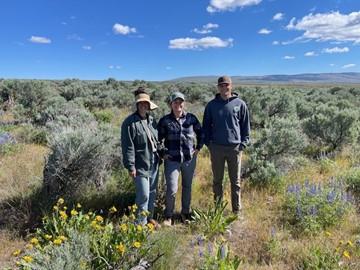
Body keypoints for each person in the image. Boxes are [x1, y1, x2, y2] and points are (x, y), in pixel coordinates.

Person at [202, 76, 250, 216]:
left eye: (226, 85)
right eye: (221, 85)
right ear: (218, 87)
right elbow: (206, 127)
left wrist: (243, 144)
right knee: (217, 181)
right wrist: (209, 144)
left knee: (235, 182)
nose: (224, 88)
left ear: (231, 86)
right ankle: (218, 210)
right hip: (216, 148)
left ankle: (236, 211)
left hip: (234, 149)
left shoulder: (240, 104)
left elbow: (245, 126)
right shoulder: (212, 105)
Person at [158, 92, 204, 226]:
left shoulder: (191, 118)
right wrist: (162, 153)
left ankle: (185, 213)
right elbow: (158, 139)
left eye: (180, 102)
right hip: (172, 159)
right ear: (171, 104)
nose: (178, 105)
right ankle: (168, 215)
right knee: (172, 188)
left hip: (189, 159)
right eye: (175, 102)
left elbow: (201, 132)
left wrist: (198, 147)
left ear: (184, 103)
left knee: (187, 187)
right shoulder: (165, 120)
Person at [121, 88, 160, 227]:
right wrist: (131, 166)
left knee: (152, 192)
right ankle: (140, 225)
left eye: (146, 103)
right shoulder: (129, 123)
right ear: (137, 105)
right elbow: (128, 147)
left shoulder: (152, 121)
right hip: (140, 164)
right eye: (141, 103)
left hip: (154, 162)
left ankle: (149, 218)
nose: (144, 105)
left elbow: (156, 141)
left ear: (149, 105)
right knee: (143, 195)